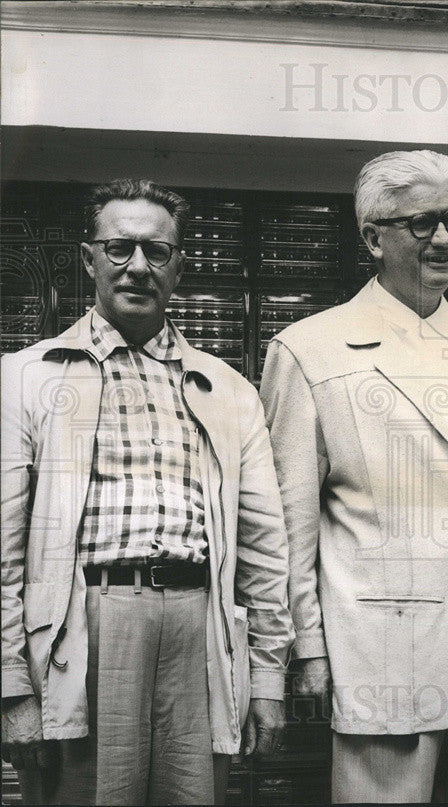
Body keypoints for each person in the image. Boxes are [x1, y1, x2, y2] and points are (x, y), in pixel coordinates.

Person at [0, 179, 295, 805]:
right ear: (89, 259)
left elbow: (265, 548)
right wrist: (12, 687)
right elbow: (2, 550)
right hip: (86, 626)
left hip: (200, 627)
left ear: (179, 265)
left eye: (156, 252)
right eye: (119, 248)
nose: (138, 266)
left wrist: (266, 680)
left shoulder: (228, 390)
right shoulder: (25, 379)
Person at [260, 150, 448, 803]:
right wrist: (307, 648)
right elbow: (288, 526)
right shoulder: (310, 349)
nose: (444, 239)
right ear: (373, 237)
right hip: (380, 645)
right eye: (421, 223)